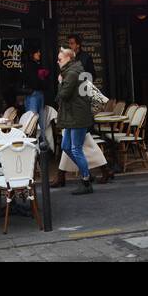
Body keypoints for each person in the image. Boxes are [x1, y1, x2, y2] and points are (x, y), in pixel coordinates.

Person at [56, 46, 95, 196]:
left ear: (68, 59)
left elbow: (64, 95)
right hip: (73, 115)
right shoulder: (72, 71)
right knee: (66, 146)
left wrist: (60, 82)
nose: (57, 61)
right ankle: (86, 172)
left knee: (75, 149)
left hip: (78, 116)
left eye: (60, 59)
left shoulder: (71, 73)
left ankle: (86, 181)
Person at [23, 47, 50, 117]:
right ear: (32, 54)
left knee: (39, 117)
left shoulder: (37, 65)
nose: (39, 54)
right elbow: (34, 81)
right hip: (33, 93)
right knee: (32, 118)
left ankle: (41, 128)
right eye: (37, 52)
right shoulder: (29, 65)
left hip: (38, 92)